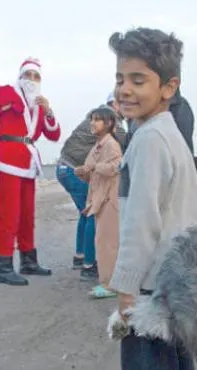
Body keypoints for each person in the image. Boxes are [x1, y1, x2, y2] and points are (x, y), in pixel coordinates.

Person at [107, 27, 197, 370]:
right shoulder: (167, 133)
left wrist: (127, 290)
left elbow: (141, 222)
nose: (126, 89)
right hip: (182, 275)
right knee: (179, 363)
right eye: (120, 78)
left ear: (169, 87)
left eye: (139, 79)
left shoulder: (149, 139)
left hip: (155, 279)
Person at [0, 57, 60, 286]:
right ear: (20, 76)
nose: (32, 79)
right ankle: (4, 267)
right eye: (28, 75)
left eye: (36, 76)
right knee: (9, 214)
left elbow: (54, 135)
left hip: (28, 160)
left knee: (27, 214)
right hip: (8, 157)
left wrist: (48, 112)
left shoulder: (38, 104)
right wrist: (5, 107)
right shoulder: (5, 93)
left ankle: (28, 261)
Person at [57, 94, 127, 281]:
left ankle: (80, 257)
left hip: (65, 168)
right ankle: (89, 265)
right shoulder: (109, 120)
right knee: (92, 214)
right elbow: (124, 146)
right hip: (72, 169)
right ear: (115, 104)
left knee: (85, 212)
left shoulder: (96, 120)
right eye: (124, 102)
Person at [82, 106, 123, 299]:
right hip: (101, 198)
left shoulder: (111, 145)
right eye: (92, 119)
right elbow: (91, 169)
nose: (93, 123)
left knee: (107, 242)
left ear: (109, 123)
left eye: (97, 119)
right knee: (103, 241)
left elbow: (116, 166)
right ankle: (108, 282)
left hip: (109, 198)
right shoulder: (98, 144)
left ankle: (111, 285)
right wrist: (84, 171)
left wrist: (94, 167)